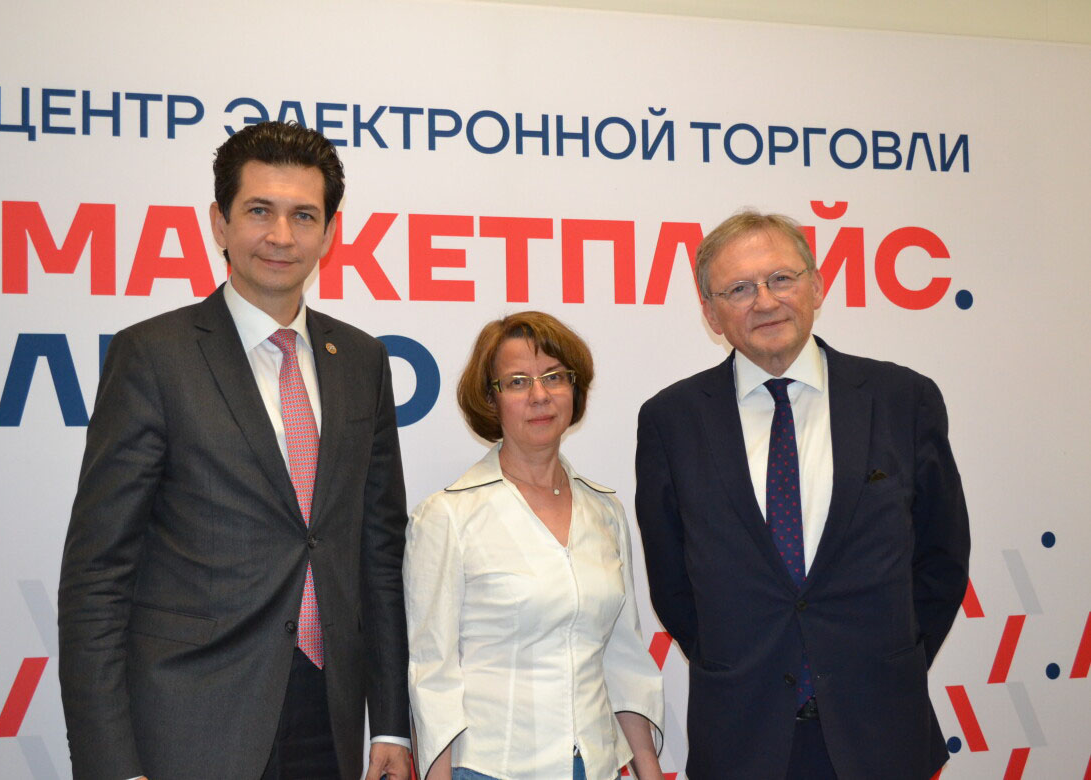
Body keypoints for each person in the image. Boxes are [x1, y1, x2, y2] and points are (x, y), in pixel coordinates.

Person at [58, 121, 411, 780]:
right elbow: (97, 577)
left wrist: (391, 720)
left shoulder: (362, 360)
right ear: (219, 223)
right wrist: (112, 765)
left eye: (303, 216)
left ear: (330, 233)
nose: (281, 236)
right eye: (259, 211)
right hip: (189, 722)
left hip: (328, 718)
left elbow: (379, 553)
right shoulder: (153, 357)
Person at [634, 210, 970, 779]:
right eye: (739, 289)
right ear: (711, 312)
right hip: (742, 736)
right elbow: (673, 583)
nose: (765, 301)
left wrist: (888, 660)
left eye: (781, 279)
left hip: (882, 730)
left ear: (816, 286)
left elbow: (942, 558)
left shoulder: (901, 399)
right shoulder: (671, 420)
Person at [404, 312, 665, 780]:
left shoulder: (605, 511)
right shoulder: (448, 515)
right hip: (491, 768)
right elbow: (432, 674)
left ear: (575, 389)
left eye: (555, 377)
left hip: (597, 765)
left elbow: (623, 656)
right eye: (518, 381)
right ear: (491, 399)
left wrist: (648, 769)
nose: (540, 395)